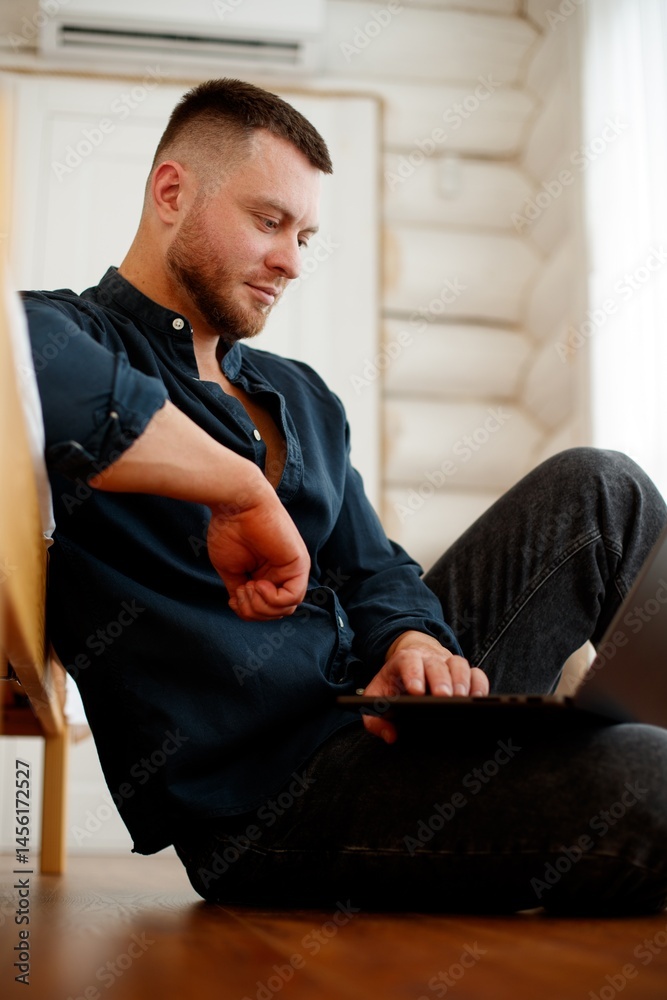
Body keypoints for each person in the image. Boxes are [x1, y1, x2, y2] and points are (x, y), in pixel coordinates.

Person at [23, 78, 667, 915]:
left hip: (386, 721)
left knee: (601, 486)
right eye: (269, 221)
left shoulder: (302, 394)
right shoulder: (53, 335)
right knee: (651, 778)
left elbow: (375, 570)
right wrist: (240, 489)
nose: (292, 261)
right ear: (172, 193)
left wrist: (409, 638)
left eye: (304, 235)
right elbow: (51, 386)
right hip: (270, 801)